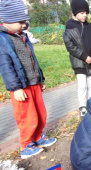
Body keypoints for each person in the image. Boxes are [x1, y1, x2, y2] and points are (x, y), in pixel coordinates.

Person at [0, 0, 57, 159]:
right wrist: (15, 88)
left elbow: (33, 59)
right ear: (7, 20)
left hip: (34, 83)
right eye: (20, 22)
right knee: (27, 116)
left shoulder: (23, 36)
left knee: (40, 113)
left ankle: (38, 137)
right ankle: (26, 145)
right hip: (21, 87)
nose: (24, 25)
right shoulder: (3, 39)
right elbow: (5, 66)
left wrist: (41, 78)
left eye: (25, 21)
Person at [63, 0, 91, 119]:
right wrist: (84, 56)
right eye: (82, 12)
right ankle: (83, 106)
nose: (85, 15)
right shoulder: (70, 27)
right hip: (79, 62)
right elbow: (70, 46)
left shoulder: (90, 26)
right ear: (75, 13)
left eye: (86, 13)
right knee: (82, 85)